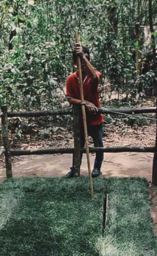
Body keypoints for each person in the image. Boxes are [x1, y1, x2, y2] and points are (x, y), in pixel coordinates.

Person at [64, 43, 104, 178]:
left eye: (85, 58)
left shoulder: (94, 74)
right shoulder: (71, 78)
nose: (82, 62)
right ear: (74, 62)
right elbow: (70, 99)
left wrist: (82, 55)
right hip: (80, 120)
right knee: (79, 146)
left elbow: (95, 78)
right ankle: (75, 169)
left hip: (95, 119)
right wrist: (84, 102)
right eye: (79, 59)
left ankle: (97, 168)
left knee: (98, 144)